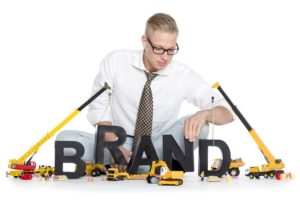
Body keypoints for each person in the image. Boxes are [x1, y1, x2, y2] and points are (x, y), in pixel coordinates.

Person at [56, 13, 233, 172]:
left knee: (202, 126)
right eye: (159, 48)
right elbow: (98, 107)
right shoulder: (117, 61)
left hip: (159, 144)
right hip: (119, 139)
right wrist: (113, 144)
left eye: (171, 50)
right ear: (144, 41)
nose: (165, 57)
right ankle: (140, 165)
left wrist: (204, 114)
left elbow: (227, 112)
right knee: (64, 140)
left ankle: (137, 165)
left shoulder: (183, 74)